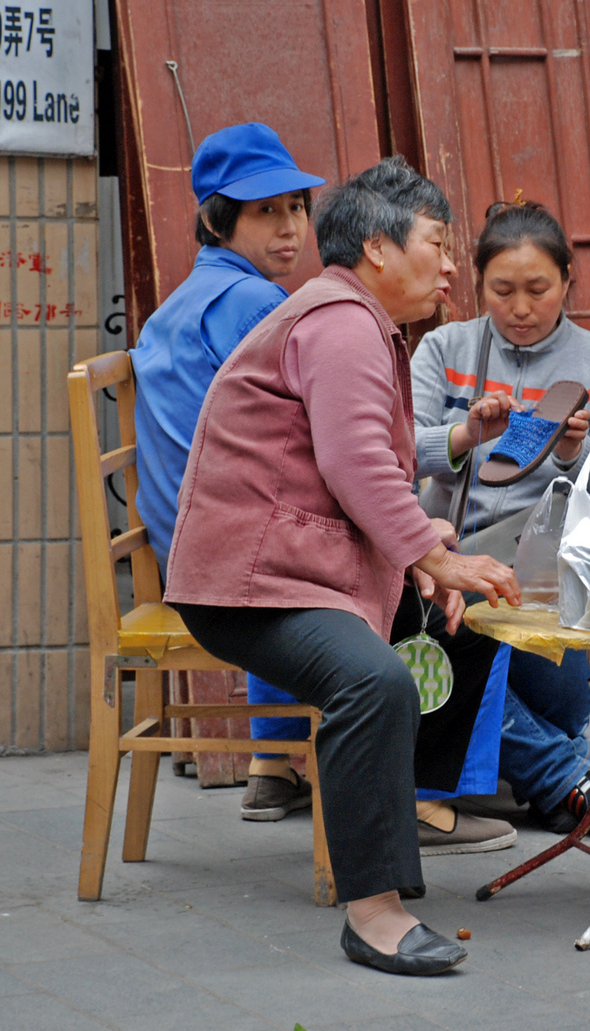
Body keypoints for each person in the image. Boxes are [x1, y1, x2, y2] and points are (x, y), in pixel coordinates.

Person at [164, 157, 523, 975]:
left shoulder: (357, 320)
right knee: (373, 681)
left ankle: (416, 809)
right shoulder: (340, 323)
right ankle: (375, 912)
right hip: (253, 583)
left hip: (306, 567)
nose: (446, 263)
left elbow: (369, 467)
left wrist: (423, 551)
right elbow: (356, 462)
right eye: (435, 242)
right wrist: (429, 552)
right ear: (377, 248)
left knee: (465, 627)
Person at [410, 201, 590, 839]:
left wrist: (573, 454)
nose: (519, 308)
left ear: (568, 280)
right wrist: (463, 434)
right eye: (501, 290)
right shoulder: (442, 347)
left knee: (555, 696)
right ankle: (564, 777)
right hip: (453, 565)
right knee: (447, 628)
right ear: (477, 285)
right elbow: (397, 448)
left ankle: (542, 757)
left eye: (537, 289)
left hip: (549, 578)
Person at [130, 123, 326, 822]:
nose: (289, 228)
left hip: (180, 542)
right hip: (228, 556)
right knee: (403, 567)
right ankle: (422, 791)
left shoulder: (177, 304)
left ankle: (273, 761)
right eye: (264, 211)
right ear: (217, 218)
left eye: (296, 207)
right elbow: (314, 436)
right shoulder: (255, 305)